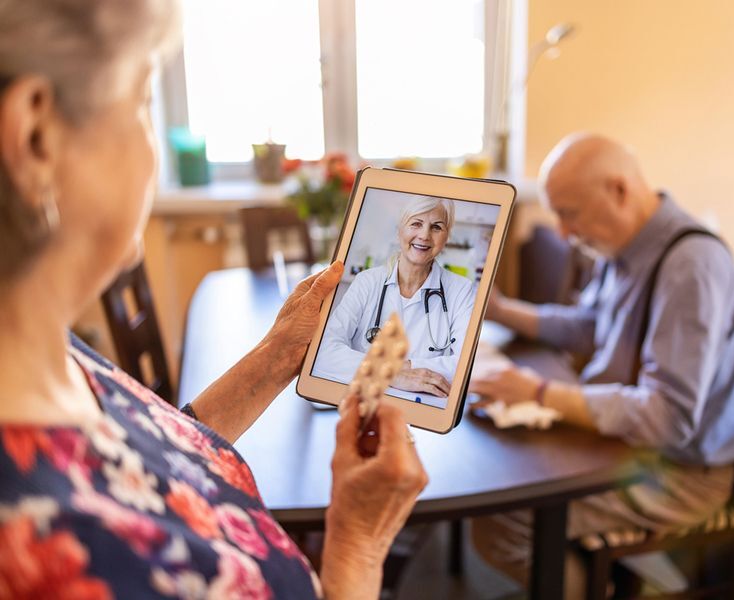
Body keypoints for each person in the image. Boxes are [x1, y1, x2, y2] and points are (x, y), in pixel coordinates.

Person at [0, 1, 426, 598]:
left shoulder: (40, 348)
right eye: (144, 99)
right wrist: (358, 545)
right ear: (36, 135)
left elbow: (153, 457)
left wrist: (279, 353)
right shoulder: (62, 549)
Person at [469, 134, 734, 592]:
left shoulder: (690, 266)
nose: (562, 232)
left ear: (618, 190)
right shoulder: (626, 245)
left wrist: (540, 393)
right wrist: (501, 310)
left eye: (569, 213)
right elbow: (590, 326)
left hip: (678, 473)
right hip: (625, 444)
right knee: (502, 470)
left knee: (506, 518)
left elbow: (668, 418)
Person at [316, 197, 476, 400]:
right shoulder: (367, 282)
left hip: (422, 412)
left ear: (447, 237)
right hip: (361, 403)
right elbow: (324, 352)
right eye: (416, 224)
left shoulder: (461, 290)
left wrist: (395, 367)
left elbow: (466, 366)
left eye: (436, 227)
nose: (424, 235)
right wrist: (393, 375)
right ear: (399, 229)